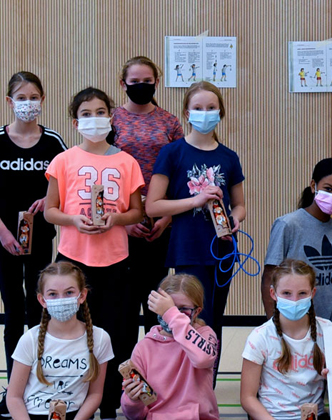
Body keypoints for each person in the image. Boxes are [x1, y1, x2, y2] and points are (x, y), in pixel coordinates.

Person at [44, 87, 144, 420]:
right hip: (73, 261)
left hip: (115, 260)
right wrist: (73, 219)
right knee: (74, 331)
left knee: (116, 332)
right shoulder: (63, 160)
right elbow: (50, 210)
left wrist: (117, 219)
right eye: (86, 114)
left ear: (111, 117)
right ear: (75, 122)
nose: (94, 119)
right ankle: (72, 399)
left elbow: (137, 212)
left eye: (101, 112)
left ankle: (110, 404)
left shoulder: (126, 161)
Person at [146, 81, 246, 378]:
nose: (205, 113)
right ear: (187, 113)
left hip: (223, 251)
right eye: (199, 108)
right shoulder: (173, 153)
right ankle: (185, 385)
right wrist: (195, 201)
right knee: (191, 319)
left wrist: (236, 218)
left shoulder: (229, 157)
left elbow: (240, 205)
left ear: (221, 112)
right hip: (188, 250)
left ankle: (207, 392)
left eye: (211, 108)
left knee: (214, 318)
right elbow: (153, 206)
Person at [0, 71, 66, 376]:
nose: (28, 103)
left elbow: (68, 184)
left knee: (39, 307)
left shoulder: (52, 142)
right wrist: (2, 233)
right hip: (3, 242)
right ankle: (14, 382)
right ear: (10, 101)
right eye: (22, 98)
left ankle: (40, 378)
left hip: (40, 238)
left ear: (43, 100)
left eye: (34, 97)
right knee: (13, 312)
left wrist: (49, 199)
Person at [113, 56, 184, 333]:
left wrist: (166, 217)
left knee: (155, 297)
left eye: (147, 81)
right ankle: (124, 371)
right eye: (135, 82)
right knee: (124, 300)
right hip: (122, 222)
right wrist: (124, 219)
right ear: (123, 84)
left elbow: (181, 172)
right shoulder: (112, 120)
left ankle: (156, 365)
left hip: (159, 222)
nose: (141, 86)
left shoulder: (170, 122)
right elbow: (104, 167)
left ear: (157, 82)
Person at [6, 262, 113, 420]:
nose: (61, 299)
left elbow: (95, 394)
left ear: (82, 295)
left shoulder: (100, 338)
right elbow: (14, 397)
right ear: (42, 300)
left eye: (69, 292)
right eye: (53, 294)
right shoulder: (30, 339)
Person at [262, 158, 332, 320]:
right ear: (313, 186)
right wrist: (273, 322)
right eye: (328, 189)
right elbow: (270, 275)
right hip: (292, 322)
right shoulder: (287, 225)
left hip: (327, 323)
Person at [241, 259, 331, 420]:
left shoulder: (328, 331)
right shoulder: (260, 337)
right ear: (273, 294)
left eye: (302, 293)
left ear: (313, 293)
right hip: (272, 416)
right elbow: (248, 397)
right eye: (286, 293)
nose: (294, 301)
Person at [120, 274, 218, 419]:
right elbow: (134, 415)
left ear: (197, 311)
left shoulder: (205, 335)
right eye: (166, 308)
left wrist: (171, 314)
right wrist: (133, 401)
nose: (171, 315)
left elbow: (202, 359)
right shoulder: (144, 348)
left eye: (182, 309)